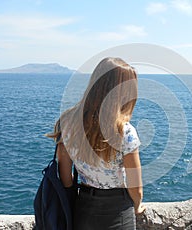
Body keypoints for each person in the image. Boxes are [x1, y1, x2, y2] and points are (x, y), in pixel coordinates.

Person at [47, 57, 146, 229]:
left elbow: (65, 178)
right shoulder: (125, 132)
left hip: (84, 209)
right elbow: (135, 187)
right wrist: (137, 206)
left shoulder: (68, 123)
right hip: (118, 211)